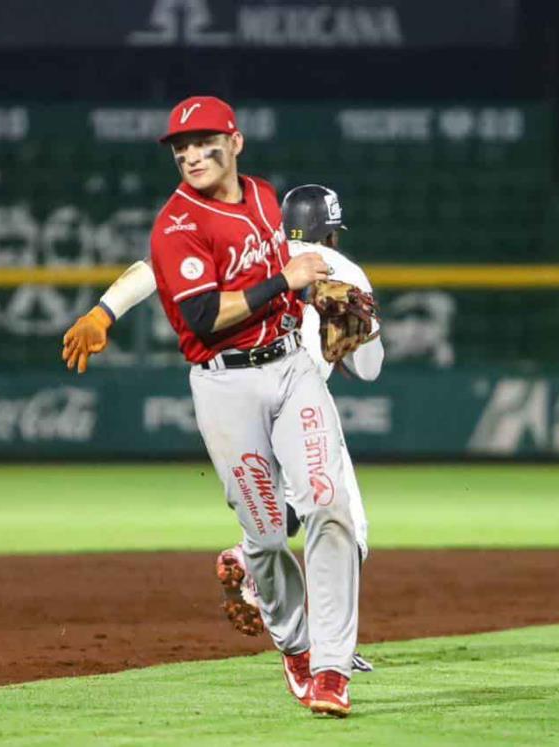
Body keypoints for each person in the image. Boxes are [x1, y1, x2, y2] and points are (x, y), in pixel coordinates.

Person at [68, 95, 361, 717]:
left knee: (330, 506)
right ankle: (296, 646)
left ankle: (333, 668)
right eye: (181, 147)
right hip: (224, 384)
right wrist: (289, 279)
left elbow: (275, 269)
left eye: (205, 142)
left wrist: (315, 303)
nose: (193, 155)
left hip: (290, 368)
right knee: (265, 534)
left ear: (236, 142)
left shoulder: (261, 196)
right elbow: (205, 312)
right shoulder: (175, 225)